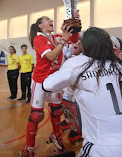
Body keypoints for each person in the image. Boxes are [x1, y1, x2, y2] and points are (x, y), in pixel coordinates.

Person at [43, 27, 122, 157]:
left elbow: (48, 85)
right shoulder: (119, 65)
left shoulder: (78, 63)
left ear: (86, 45)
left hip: (104, 145)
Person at [22, 13, 79, 156]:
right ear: (41, 26)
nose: (51, 21)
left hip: (55, 80)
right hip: (41, 80)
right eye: (48, 20)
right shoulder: (39, 39)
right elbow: (52, 56)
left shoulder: (56, 38)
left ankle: (56, 135)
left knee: (57, 110)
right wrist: (63, 40)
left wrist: (75, 21)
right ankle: (29, 147)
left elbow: (74, 39)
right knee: (36, 115)